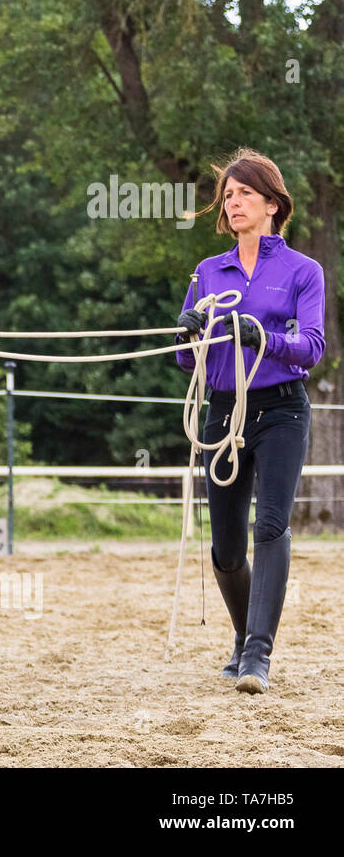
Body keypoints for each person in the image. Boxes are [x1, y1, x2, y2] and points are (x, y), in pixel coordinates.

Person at [175, 148, 325, 694]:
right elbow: (190, 362)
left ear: (271, 203)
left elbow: (310, 348)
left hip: (282, 409)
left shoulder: (303, 271)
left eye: (245, 194)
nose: (234, 202)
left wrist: (263, 337)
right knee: (226, 548)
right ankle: (242, 638)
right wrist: (187, 333)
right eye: (229, 195)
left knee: (271, 526)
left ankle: (258, 654)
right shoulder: (208, 272)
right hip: (222, 410)